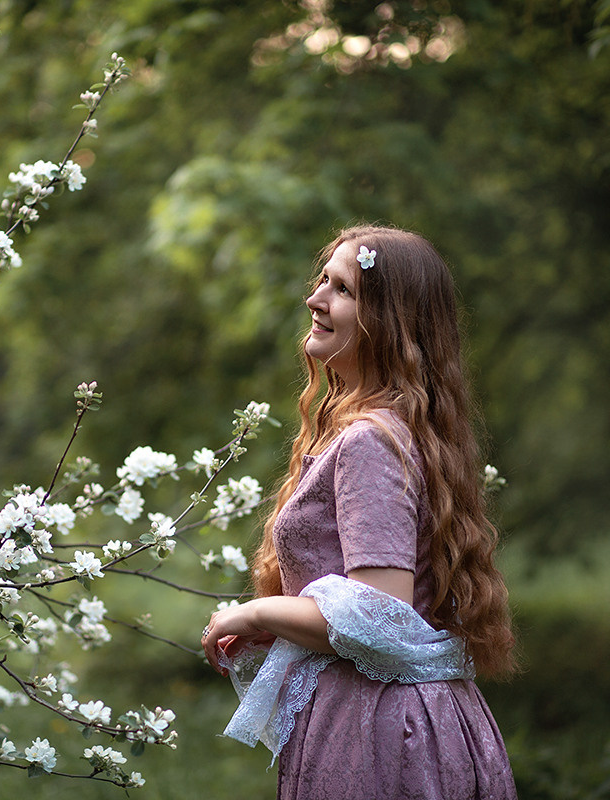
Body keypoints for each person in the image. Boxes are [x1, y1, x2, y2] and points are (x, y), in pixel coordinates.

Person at [201, 224, 517, 800]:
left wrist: (254, 614)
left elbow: (379, 615)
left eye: (342, 289)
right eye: (323, 281)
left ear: (389, 323)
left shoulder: (372, 441)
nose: (314, 299)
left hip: (380, 734)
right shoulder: (396, 430)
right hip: (400, 719)